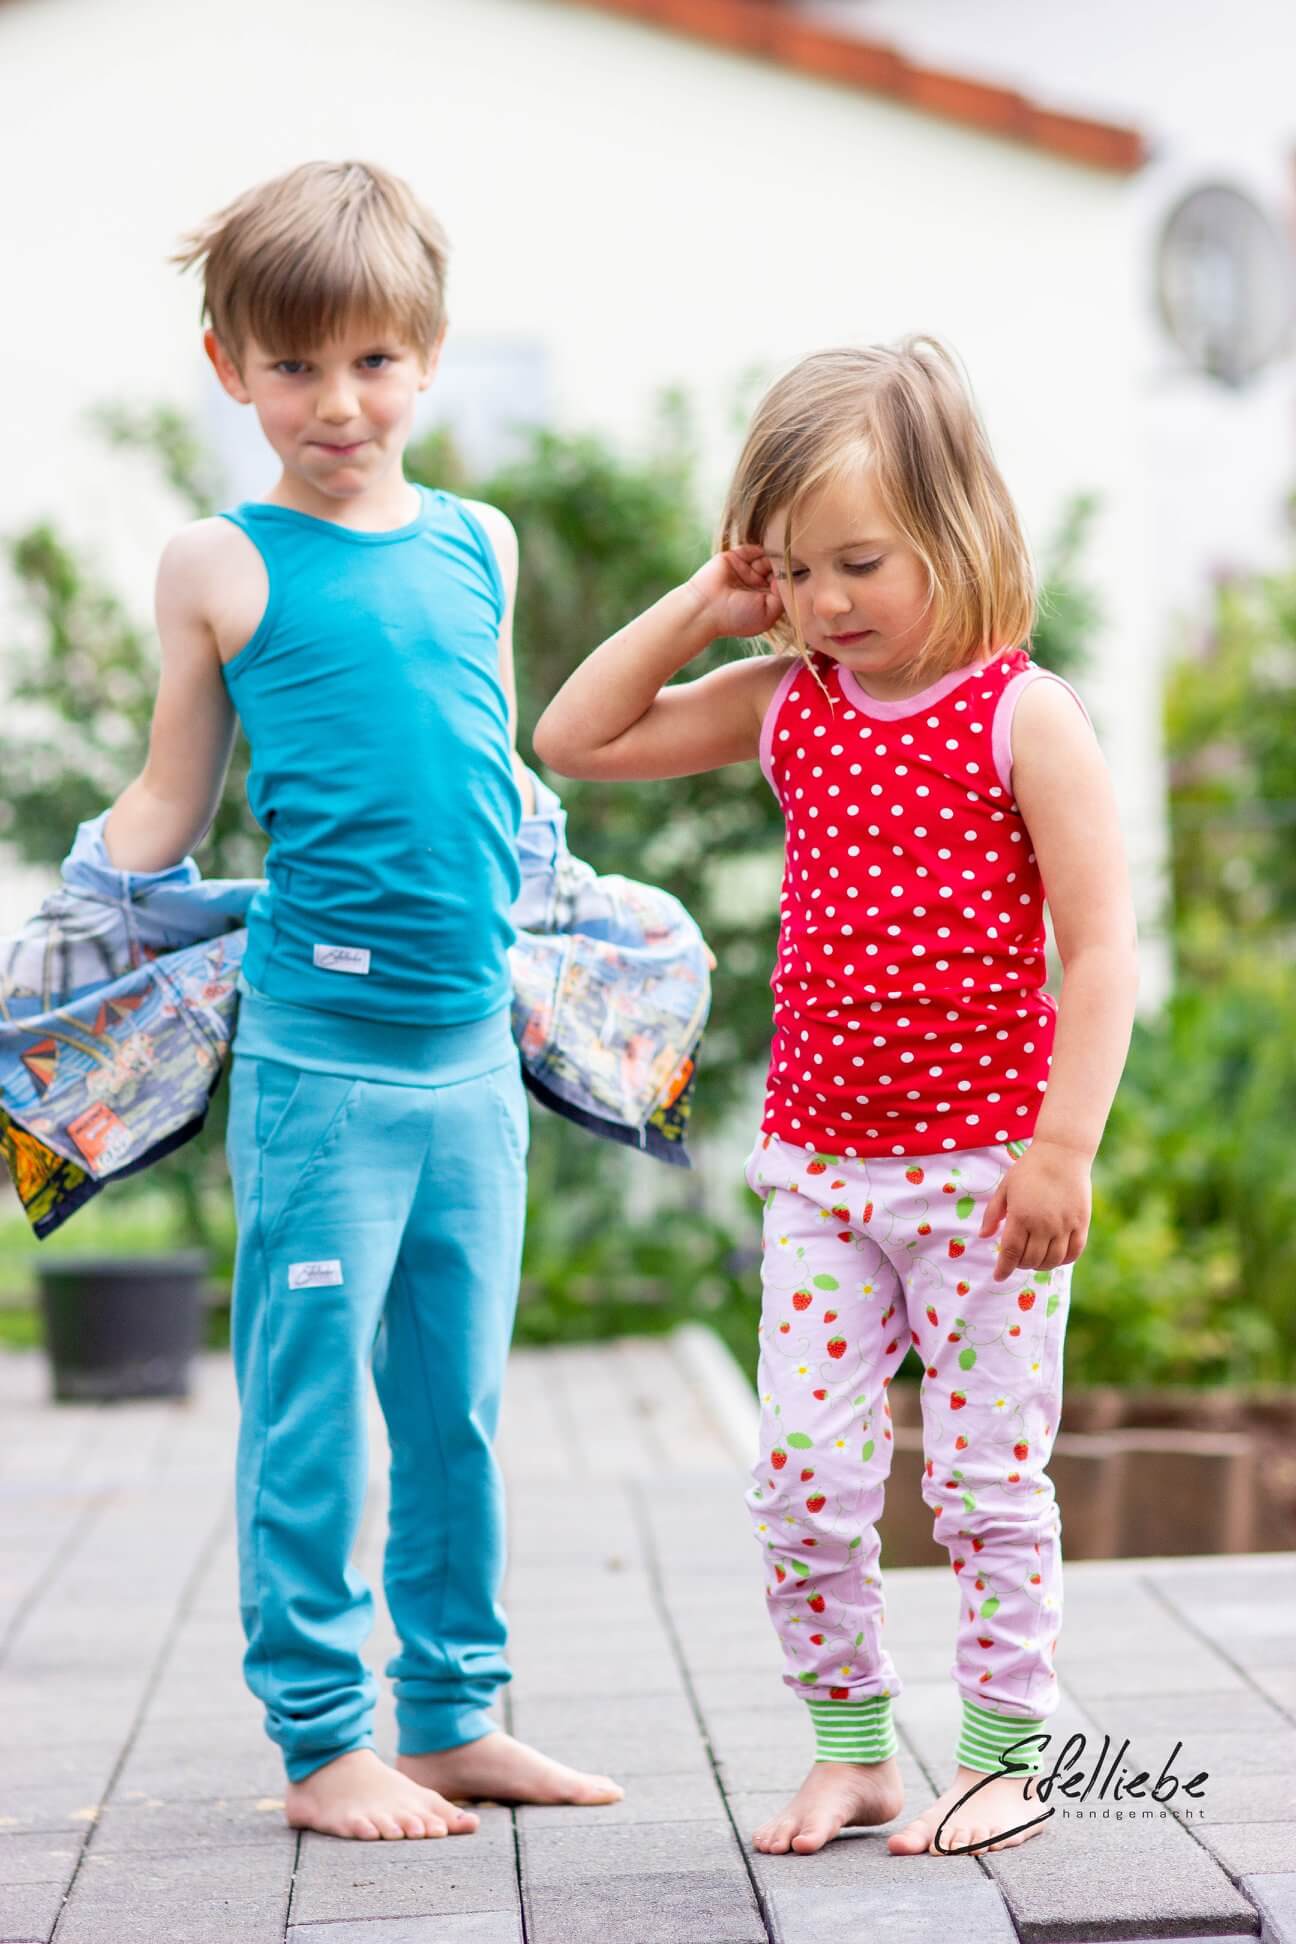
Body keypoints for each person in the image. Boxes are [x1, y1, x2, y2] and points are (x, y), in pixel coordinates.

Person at [532, 337, 1139, 1859]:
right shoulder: (788, 701)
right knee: (803, 1481)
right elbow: (575, 738)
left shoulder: (1021, 716)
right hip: (820, 1176)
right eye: (794, 571)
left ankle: (1006, 1756)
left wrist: (1064, 1147)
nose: (825, 603)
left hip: (988, 1179)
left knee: (987, 1484)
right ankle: (854, 1748)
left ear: (958, 529)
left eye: (859, 563)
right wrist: (704, 602)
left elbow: (1104, 948)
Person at [102, 159, 624, 1841]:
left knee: (457, 1410)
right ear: (229, 368)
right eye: (295, 366)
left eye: (376, 361)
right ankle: (325, 1740)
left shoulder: (481, 542)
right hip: (321, 1072)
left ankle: (455, 1715)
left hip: (473, 1060)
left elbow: (495, 783)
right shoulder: (218, 563)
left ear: (433, 353)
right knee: (314, 1411)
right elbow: (171, 800)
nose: (339, 403)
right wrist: (76, 916)